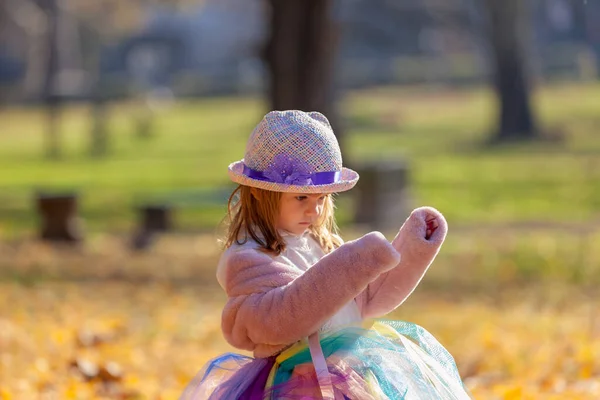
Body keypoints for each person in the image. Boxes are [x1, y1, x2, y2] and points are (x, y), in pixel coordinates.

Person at [180, 110, 471, 399]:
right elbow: (277, 319)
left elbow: (367, 299)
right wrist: (354, 264)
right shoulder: (248, 257)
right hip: (296, 385)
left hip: (347, 374)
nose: (314, 210)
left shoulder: (319, 243)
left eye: (322, 198)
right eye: (301, 197)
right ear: (259, 193)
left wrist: (411, 248)